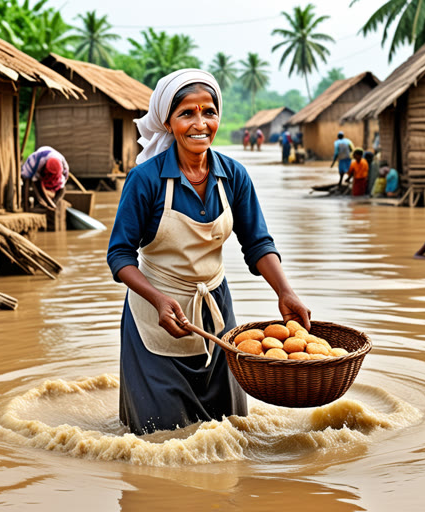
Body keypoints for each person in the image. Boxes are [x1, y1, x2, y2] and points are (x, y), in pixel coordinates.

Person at [106, 69, 311, 435]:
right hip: (156, 313)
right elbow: (119, 255)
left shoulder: (233, 176)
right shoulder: (146, 180)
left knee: (229, 431)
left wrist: (285, 291)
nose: (200, 123)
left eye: (209, 112)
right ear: (167, 122)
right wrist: (157, 299)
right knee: (160, 440)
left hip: (216, 311)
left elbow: (258, 243)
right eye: (186, 113)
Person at [21, 146, 69, 211]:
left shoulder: (64, 168)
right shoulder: (36, 162)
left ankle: (54, 204)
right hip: (35, 165)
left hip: (52, 163)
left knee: (61, 190)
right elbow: (36, 183)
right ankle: (26, 205)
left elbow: (63, 185)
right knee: (27, 181)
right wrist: (43, 200)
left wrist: (53, 204)